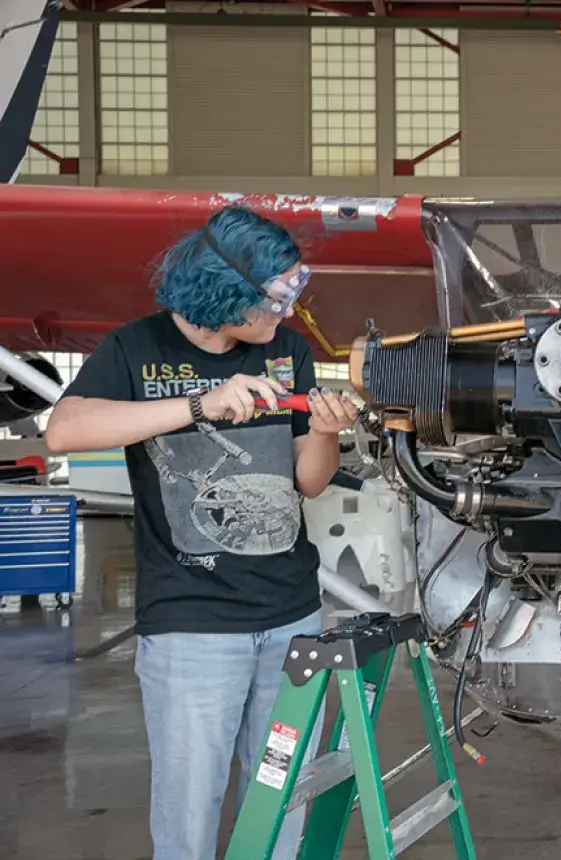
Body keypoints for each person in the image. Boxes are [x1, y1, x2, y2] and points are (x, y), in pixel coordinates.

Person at [44, 205, 358, 860]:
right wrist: (197, 405)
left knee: (282, 797)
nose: (291, 314)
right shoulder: (137, 348)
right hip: (193, 629)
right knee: (190, 810)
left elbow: (310, 482)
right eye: (279, 298)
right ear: (226, 289)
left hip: (291, 621)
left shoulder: (285, 350)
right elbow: (66, 430)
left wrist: (325, 432)